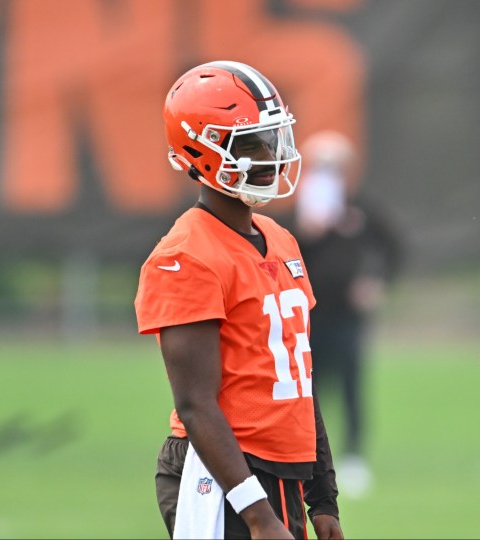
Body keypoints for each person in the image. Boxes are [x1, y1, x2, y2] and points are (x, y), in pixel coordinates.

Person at [134, 60, 343, 540]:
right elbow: (195, 404)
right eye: (249, 143)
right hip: (220, 474)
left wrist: (323, 496)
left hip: (284, 467)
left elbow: (298, 379)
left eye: (271, 139)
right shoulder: (186, 255)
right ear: (201, 150)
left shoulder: (280, 239)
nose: (270, 155)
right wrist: (257, 514)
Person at [290, 131, 402, 499]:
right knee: (307, 388)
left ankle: (354, 458)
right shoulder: (298, 212)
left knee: (352, 387)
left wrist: (375, 281)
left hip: (348, 317)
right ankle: (306, 457)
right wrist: (308, 232)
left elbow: (393, 248)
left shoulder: (361, 208)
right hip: (308, 317)